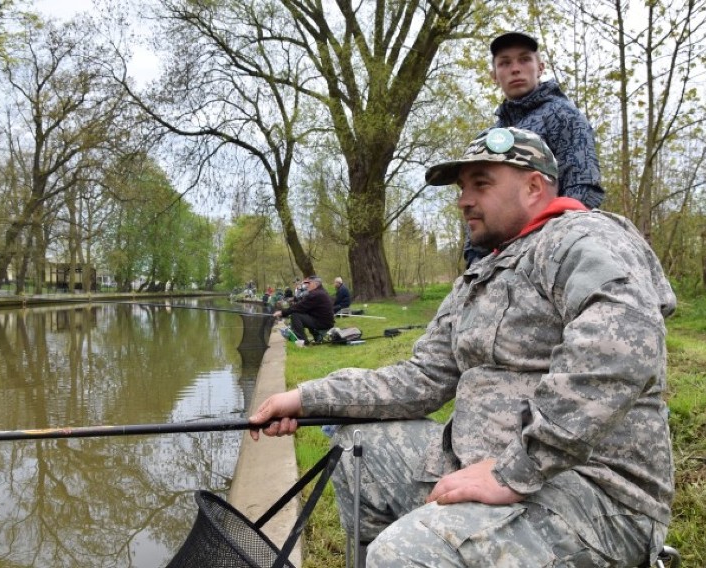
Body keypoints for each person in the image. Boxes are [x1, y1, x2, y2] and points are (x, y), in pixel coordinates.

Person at [251, 127, 676, 567]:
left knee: (400, 556)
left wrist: (516, 470)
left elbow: (623, 348)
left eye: (481, 183)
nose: (463, 200)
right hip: (482, 464)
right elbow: (422, 377)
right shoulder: (480, 274)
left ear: (533, 186)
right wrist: (307, 397)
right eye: (461, 188)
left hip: (590, 494)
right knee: (358, 447)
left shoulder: (581, 237)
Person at [463, 31, 605, 267]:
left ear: (540, 67)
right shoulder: (492, 136)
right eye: (505, 63)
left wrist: (541, 249)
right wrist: (474, 256)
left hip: (548, 257)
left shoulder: (564, 116)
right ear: (494, 76)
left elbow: (584, 188)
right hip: (494, 261)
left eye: (524, 59)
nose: (515, 69)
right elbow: (479, 198)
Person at [273, 275, 335, 344]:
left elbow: (299, 306)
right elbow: (302, 306)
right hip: (324, 321)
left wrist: (282, 312)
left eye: (308, 283)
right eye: (305, 283)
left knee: (295, 315)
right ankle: (316, 337)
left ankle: (302, 341)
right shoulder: (320, 292)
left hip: (323, 322)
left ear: (316, 284)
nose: (306, 285)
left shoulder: (316, 294)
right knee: (300, 313)